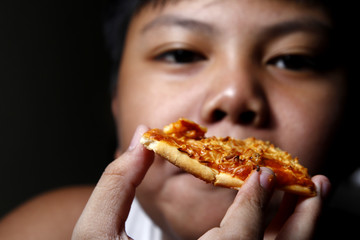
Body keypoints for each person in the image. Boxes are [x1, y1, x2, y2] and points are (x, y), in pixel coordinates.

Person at [0, 0, 357, 239]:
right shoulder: (43, 229)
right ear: (117, 101)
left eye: (292, 60)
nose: (233, 96)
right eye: (181, 53)